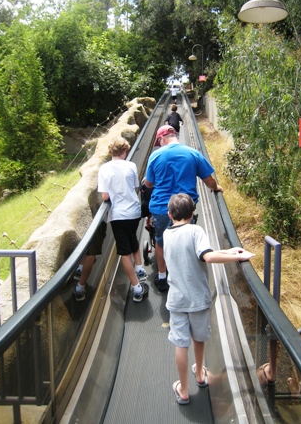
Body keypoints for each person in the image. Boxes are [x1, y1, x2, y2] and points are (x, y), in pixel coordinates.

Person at [164, 193, 255, 405]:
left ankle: (184, 389)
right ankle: (200, 375)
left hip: (177, 300)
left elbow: (202, 252)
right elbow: (207, 256)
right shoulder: (196, 230)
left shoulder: (167, 234)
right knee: (199, 338)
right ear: (193, 213)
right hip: (198, 299)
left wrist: (227, 250)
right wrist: (237, 256)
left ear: (169, 215)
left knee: (180, 343)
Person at [144, 125, 223, 292]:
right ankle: (186, 278)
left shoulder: (156, 155)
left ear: (161, 139)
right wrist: (216, 188)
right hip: (186, 208)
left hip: (161, 208)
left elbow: (149, 183)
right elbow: (209, 181)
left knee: (161, 242)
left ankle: (162, 277)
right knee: (187, 242)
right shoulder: (192, 153)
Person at [98, 137, 149, 302]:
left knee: (124, 251)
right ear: (124, 151)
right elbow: (134, 186)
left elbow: (105, 195)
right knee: (132, 236)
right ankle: (140, 267)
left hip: (118, 214)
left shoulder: (104, 169)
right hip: (134, 211)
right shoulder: (131, 165)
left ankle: (136, 288)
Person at [74, 220, 107, 301]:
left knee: (84, 245)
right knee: (91, 253)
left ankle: (80, 268)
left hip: (83, 220)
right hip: (95, 220)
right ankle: (80, 287)